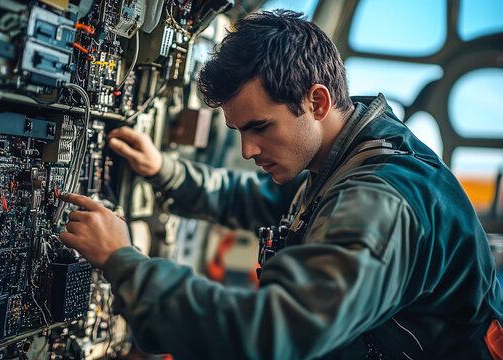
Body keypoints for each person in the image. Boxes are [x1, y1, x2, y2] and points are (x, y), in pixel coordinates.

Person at [58, 10, 503, 360]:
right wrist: (165, 171)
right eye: (238, 132)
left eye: (260, 127)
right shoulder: (342, 157)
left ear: (317, 100)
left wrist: (122, 261)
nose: (249, 149)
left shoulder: (379, 202)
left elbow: (268, 337)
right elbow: (259, 201)